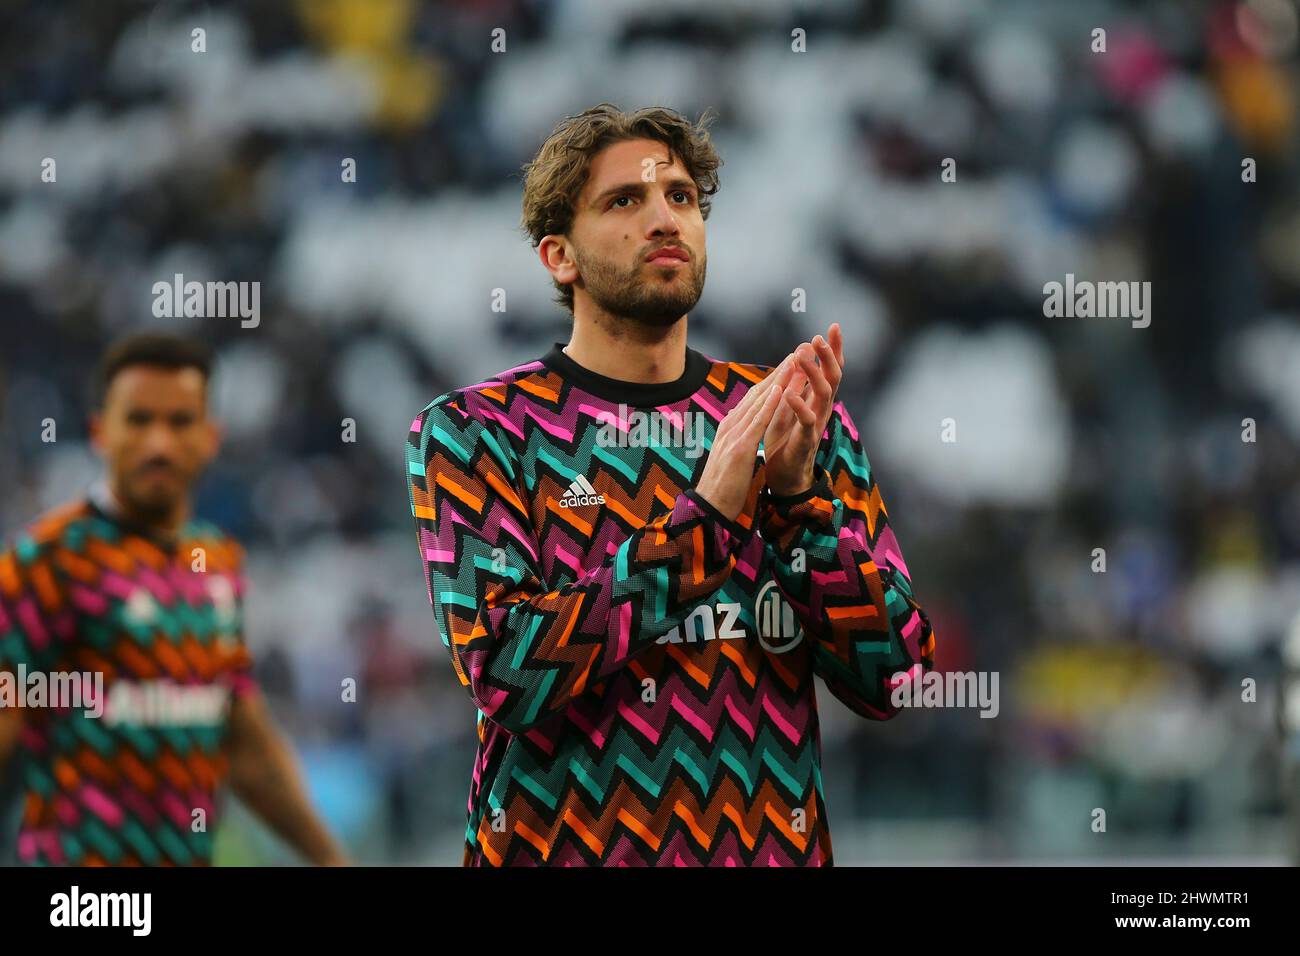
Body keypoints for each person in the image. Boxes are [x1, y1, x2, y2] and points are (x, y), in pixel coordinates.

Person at [405, 103, 937, 866]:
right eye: (625, 200)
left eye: (681, 198)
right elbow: (507, 671)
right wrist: (707, 526)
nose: (664, 219)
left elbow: (898, 680)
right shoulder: (480, 430)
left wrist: (796, 510)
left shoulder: (791, 415)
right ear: (560, 256)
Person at [0, 333, 348, 865]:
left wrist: (331, 859)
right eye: (138, 421)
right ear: (100, 432)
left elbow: (245, 746)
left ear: (211, 436)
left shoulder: (217, 561)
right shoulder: (48, 562)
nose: (159, 443)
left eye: (180, 422)